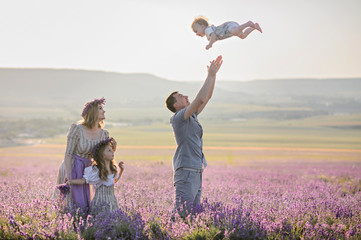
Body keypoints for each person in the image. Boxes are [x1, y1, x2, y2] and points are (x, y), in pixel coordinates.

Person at [165, 56, 223, 221]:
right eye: (181, 96)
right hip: (186, 171)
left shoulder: (191, 116)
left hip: (196, 170)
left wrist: (214, 75)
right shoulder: (178, 117)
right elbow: (200, 99)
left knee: (192, 216)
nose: (186, 96)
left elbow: (207, 97)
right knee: (181, 212)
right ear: (176, 105)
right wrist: (209, 76)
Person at [54, 97, 116, 215]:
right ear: (92, 112)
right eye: (100, 109)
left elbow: (105, 155)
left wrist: (114, 147)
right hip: (72, 165)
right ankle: (69, 227)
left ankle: (84, 227)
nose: (104, 111)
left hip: (89, 169)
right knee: (72, 202)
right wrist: (68, 174)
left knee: (86, 204)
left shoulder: (104, 133)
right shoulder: (77, 129)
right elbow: (68, 154)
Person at [67, 137, 124, 215]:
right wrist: (71, 181)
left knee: (113, 220)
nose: (112, 152)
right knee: (101, 219)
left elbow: (114, 181)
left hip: (112, 201)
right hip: (100, 201)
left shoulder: (112, 168)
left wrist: (121, 170)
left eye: (112, 150)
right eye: (109, 150)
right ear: (102, 155)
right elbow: (83, 180)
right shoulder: (96, 170)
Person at [191, 16, 262, 50]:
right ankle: (254, 27)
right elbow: (214, 38)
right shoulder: (209, 34)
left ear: (202, 26)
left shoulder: (207, 30)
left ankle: (248, 24)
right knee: (243, 36)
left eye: (196, 31)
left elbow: (214, 35)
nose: (196, 34)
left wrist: (210, 44)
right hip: (230, 30)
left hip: (228, 27)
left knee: (235, 32)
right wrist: (211, 43)